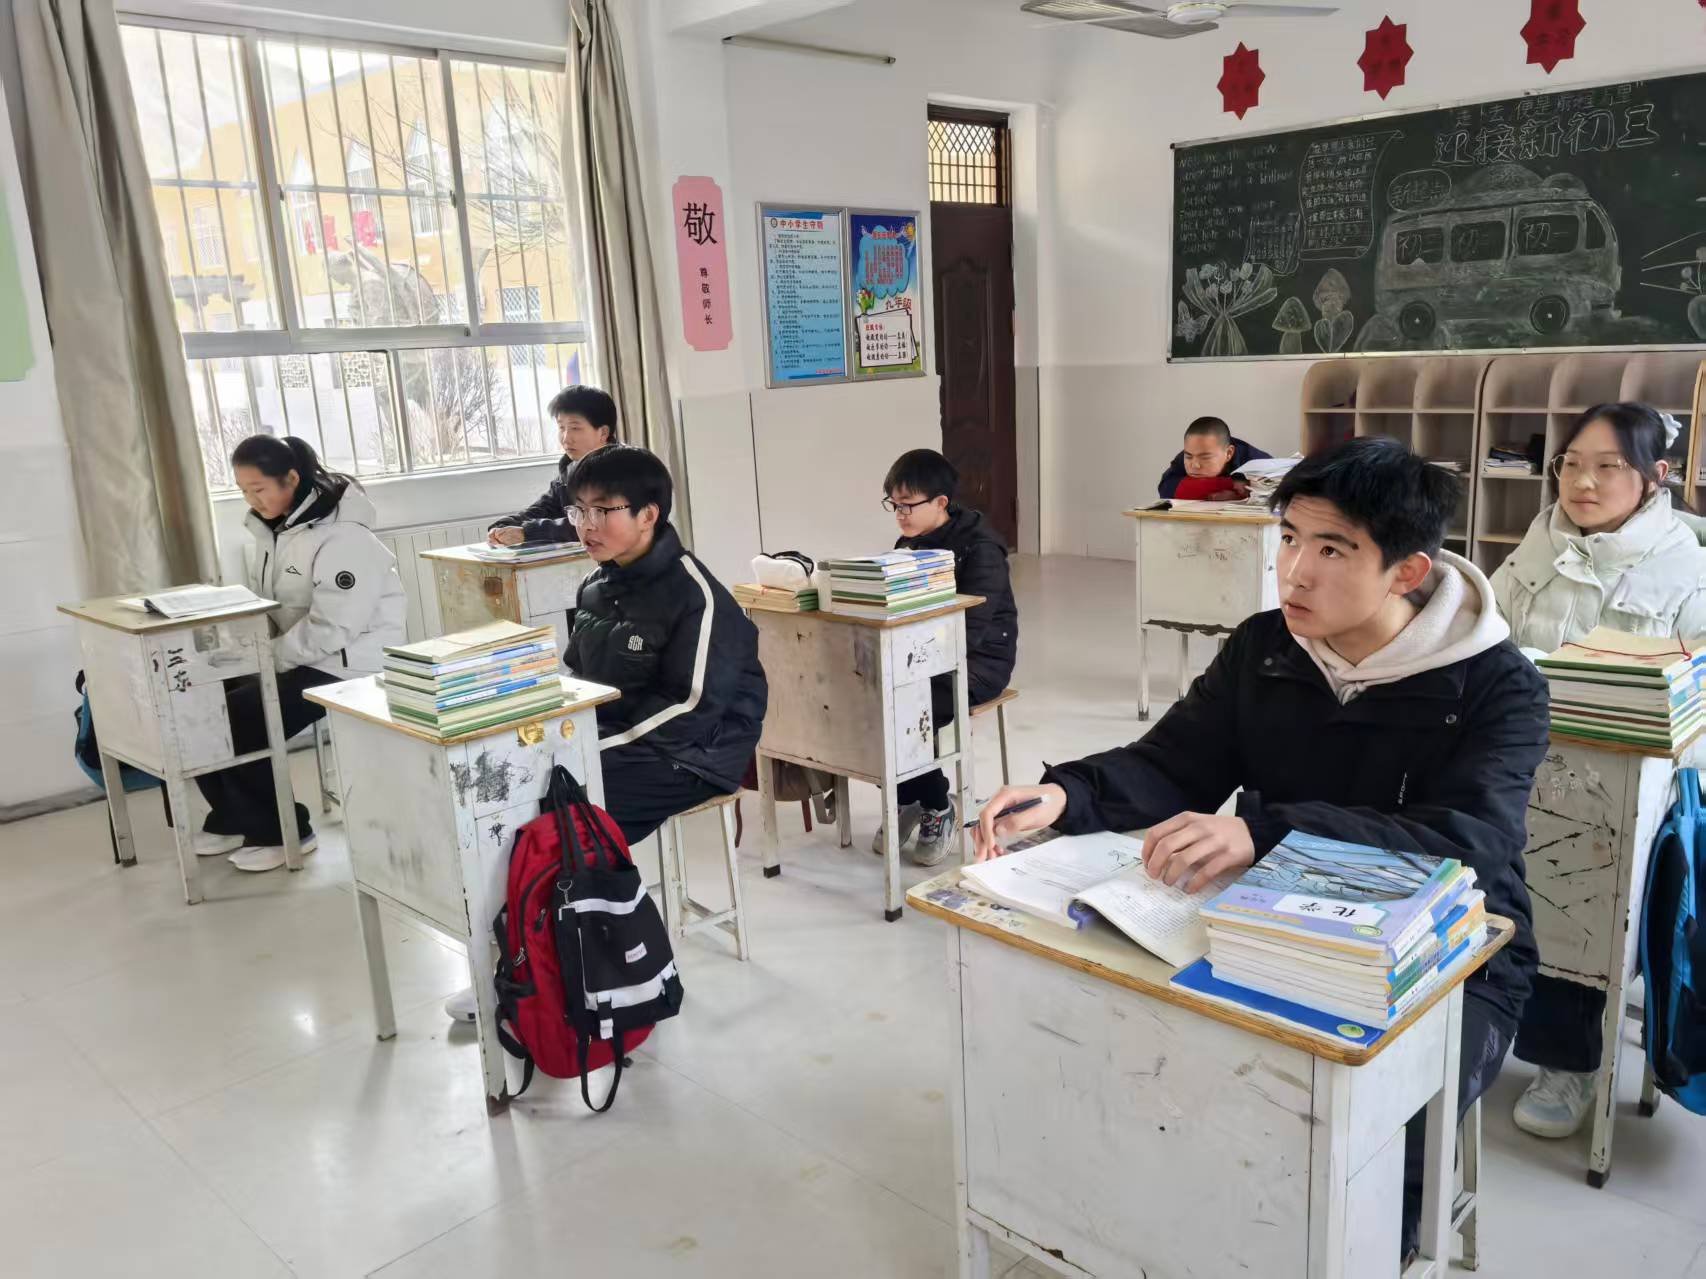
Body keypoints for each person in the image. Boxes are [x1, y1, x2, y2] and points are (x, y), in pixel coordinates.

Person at [974, 436, 1548, 1262]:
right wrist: (1068, 794)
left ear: (1407, 571)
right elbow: (1176, 761)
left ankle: (1377, 1249)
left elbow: (1468, 843)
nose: (1295, 572)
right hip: (1263, 921)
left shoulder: (1496, 684)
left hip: (1452, 959)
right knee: (1156, 1065)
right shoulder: (1264, 647)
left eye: (1332, 549)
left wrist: (1263, 833)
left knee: (1377, 1134)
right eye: (1288, 539)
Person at [446, 444, 767, 1022]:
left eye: (603, 510)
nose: (586, 525)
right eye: (579, 510)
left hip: (695, 753)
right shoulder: (597, 584)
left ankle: (546, 970)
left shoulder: (695, 594)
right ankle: (529, 959)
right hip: (622, 740)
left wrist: (585, 755)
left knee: (556, 822)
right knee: (505, 797)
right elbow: (579, 681)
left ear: (649, 514)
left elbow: (691, 708)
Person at [1490, 402, 1706, 1141]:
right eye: (1571, 464)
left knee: (1579, 905)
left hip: (1630, 785)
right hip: (1524, 761)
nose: (1583, 482)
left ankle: (1569, 1063)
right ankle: (1493, 1014)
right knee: (1496, 883)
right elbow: (1489, 636)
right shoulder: (1538, 544)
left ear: (1655, 476)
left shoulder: (1688, 566)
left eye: (1607, 467)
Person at [197, 436, 406, 872]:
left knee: (241, 717)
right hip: (302, 656)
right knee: (200, 701)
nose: (251, 500)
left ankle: (284, 832)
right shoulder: (275, 532)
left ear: (291, 479)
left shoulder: (344, 537)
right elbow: (274, 608)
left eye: (259, 489)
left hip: (350, 665)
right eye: (243, 490)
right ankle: (235, 816)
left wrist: (267, 659)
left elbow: (334, 628)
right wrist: (242, 654)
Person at [874, 449, 1018, 865]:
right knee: (874, 699)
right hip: (920, 657)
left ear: (940, 502)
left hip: (979, 661)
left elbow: (973, 629)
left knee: (905, 708)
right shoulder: (909, 543)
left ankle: (937, 804)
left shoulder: (981, 548)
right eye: (894, 505)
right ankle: (909, 797)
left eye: (908, 505)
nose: (900, 515)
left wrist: (910, 664)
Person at [486, 385, 617, 546]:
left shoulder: (624, 469)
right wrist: (504, 526)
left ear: (603, 432)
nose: (566, 438)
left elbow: (595, 524)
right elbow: (544, 509)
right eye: (561, 427)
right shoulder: (570, 469)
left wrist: (528, 532)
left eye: (575, 428)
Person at [1157, 416, 1271, 501]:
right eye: (1188, 456)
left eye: (1205, 457)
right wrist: (1229, 485)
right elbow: (1166, 489)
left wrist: (1243, 495)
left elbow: (1276, 492)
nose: (1195, 465)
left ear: (1229, 453)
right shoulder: (1187, 455)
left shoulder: (1257, 461)